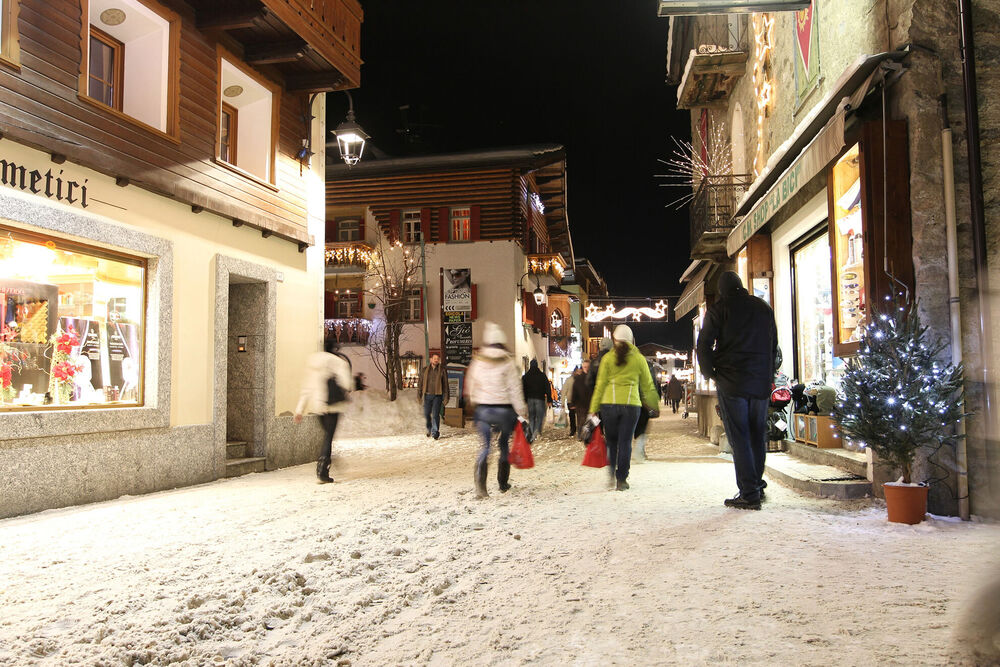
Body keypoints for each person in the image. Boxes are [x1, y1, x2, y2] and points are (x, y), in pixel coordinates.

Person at [697, 271, 779, 510]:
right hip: (760, 382)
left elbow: (703, 345)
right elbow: (773, 344)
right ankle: (757, 486)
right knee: (756, 434)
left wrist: (712, 373)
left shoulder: (719, 310)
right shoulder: (762, 307)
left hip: (732, 382)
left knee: (740, 436)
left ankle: (749, 493)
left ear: (722, 290)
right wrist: (768, 372)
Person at [588, 324, 659, 491]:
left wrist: (593, 407)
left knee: (612, 442)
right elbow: (648, 385)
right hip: (631, 405)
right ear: (631, 339)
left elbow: (600, 385)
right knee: (626, 442)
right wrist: (654, 404)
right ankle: (622, 479)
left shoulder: (607, 359)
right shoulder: (639, 359)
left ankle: (612, 473)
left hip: (608, 406)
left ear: (615, 340)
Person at [464, 322, 529, 498]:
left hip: (484, 410)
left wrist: (474, 400)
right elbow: (515, 389)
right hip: (505, 411)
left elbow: (471, 385)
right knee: (503, 445)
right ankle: (503, 483)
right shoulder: (508, 362)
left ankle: (480, 486)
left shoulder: (478, 360)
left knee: (485, 447)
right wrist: (522, 410)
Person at [294, 336, 353, 483]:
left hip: (317, 406)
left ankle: (327, 460)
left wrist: (299, 409)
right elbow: (347, 384)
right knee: (328, 437)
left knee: (326, 435)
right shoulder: (339, 362)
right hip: (333, 405)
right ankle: (323, 468)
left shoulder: (312, 361)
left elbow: (306, 387)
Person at [632, 358, 660, 462]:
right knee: (642, 426)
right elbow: (652, 384)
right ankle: (640, 452)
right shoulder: (648, 366)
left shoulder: (627, 362)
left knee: (631, 427)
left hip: (631, 399)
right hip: (645, 401)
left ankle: (625, 453)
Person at [419, 353, 450, 440]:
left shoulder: (442, 370)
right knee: (427, 414)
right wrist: (419, 394)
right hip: (427, 395)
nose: (436, 360)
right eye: (435, 358)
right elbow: (420, 383)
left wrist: (446, 396)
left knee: (435, 414)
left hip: (437, 395)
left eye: (438, 358)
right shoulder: (425, 370)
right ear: (431, 359)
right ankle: (429, 429)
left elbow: (445, 384)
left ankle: (435, 432)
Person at [521, 359, 551, 439]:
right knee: (540, 416)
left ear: (530, 365)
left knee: (531, 417)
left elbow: (522, 388)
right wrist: (549, 399)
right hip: (540, 399)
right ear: (537, 365)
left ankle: (532, 432)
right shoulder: (542, 375)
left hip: (530, 399)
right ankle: (537, 432)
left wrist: (524, 399)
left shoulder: (526, 376)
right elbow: (548, 387)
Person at [570, 359, 592, 439]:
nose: (586, 368)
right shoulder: (578, 379)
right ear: (582, 367)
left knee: (590, 421)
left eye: (588, 367)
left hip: (591, 403)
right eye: (585, 367)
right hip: (581, 404)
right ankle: (580, 435)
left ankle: (588, 436)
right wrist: (573, 403)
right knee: (581, 421)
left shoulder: (593, 377)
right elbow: (574, 391)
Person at [562, 366, 582, 437]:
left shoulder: (582, 379)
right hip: (571, 400)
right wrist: (562, 401)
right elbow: (564, 390)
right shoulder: (569, 380)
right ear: (574, 371)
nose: (578, 373)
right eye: (577, 371)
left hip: (579, 401)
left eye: (580, 371)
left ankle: (577, 431)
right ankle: (573, 429)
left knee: (579, 416)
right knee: (572, 416)